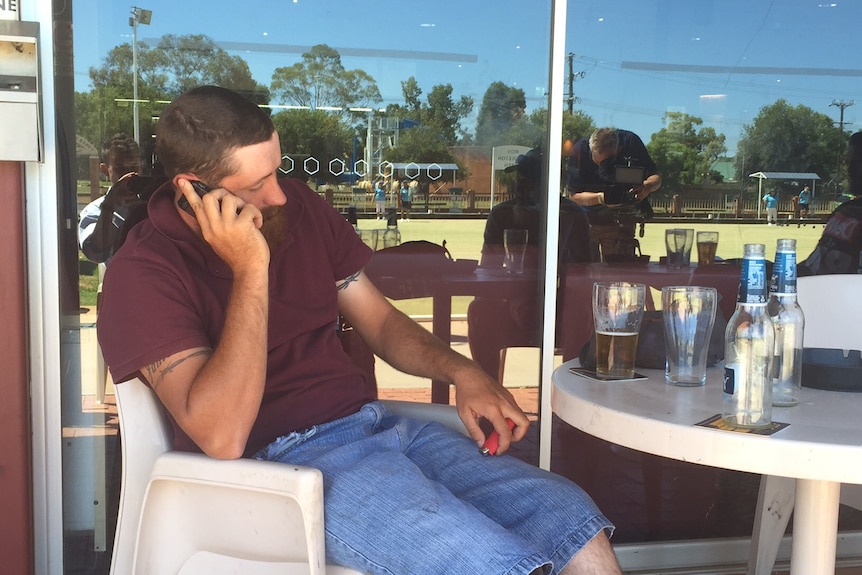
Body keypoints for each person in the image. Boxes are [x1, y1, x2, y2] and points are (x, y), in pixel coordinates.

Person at [97, 86, 622, 575]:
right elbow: (222, 435)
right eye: (256, 185)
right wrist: (250, 270)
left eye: (278, 172)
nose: (280, 196)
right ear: (194, 192)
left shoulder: (299, 209)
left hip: (377, 429)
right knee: (483, 558)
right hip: (282, 470)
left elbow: (381, 321)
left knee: (566, 514)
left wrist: (464, 372)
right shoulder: (144, 273)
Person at [468, 149, 592, 380]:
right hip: (510, 305)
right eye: (520, 179)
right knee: (480, 311)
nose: (520, 186)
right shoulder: (501, 214)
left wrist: (540, 301)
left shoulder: (570, 216)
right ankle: (490, 396)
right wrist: (516, 298)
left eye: (528, 180)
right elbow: (489, 273)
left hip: (559, 309)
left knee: (580, 313)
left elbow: (582, 278)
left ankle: (572, 391)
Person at [565, 127, 661, 261]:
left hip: (622, 222)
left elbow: (656, 178)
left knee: (619, 275)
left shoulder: (630, 143)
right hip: (589, 222)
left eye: (608, 161)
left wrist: (647, 186)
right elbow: (573, 197)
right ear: (590, 149)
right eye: (597, 162)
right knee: (586, 269)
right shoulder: (579, 150)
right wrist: (603, 198)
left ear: (619, 149)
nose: (603, 168)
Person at [799, 131, 862, 275]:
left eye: (857, 162)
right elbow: (813, 267)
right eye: (848, 162)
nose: (850, 169)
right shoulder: (846, 212)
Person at [78, 134, 143, 264]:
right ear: (105, 170)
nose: (129, 174)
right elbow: (95, 253)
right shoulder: (95, 211)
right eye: (121, 168)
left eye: (134, 167)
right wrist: (108, 208)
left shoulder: (154, 203)